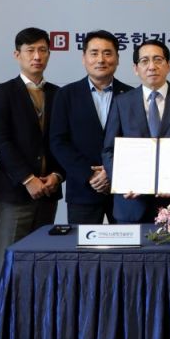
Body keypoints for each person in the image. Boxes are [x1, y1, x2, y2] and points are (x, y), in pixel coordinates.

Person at [0, 27, 64, 280]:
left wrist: (57, 175)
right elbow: (1, 141)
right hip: (14, 192)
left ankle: (39, 306)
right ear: (17, 54)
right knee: (11, 261)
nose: (37, 56)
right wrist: (27, 179)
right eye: (30, 50)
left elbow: (62, 141)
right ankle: (6, 308)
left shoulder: (59, 94)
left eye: (42, 50)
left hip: (48, 191)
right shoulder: (2, 92)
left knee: (42, 261)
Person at [102, 39, 170, 223]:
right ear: (136, 68)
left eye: (158, 60)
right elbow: (109, 150)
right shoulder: (122, 102)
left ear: (168, 65)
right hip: (131, 203)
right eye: (144, 61)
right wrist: (122, 182)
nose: (151, 66)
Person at [50, 30, 133, 225]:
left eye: (107, 53)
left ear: (117, 59)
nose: (101, 59)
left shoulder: (131, 95)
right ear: (84, 58)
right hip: (82, 190)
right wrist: (90, 174)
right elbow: (58, 142)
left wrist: (111, 172)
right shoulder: (66, 95)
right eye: (94, 53)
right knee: (82, 245)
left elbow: (137, 142)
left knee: (128, 244)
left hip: (123, 191)